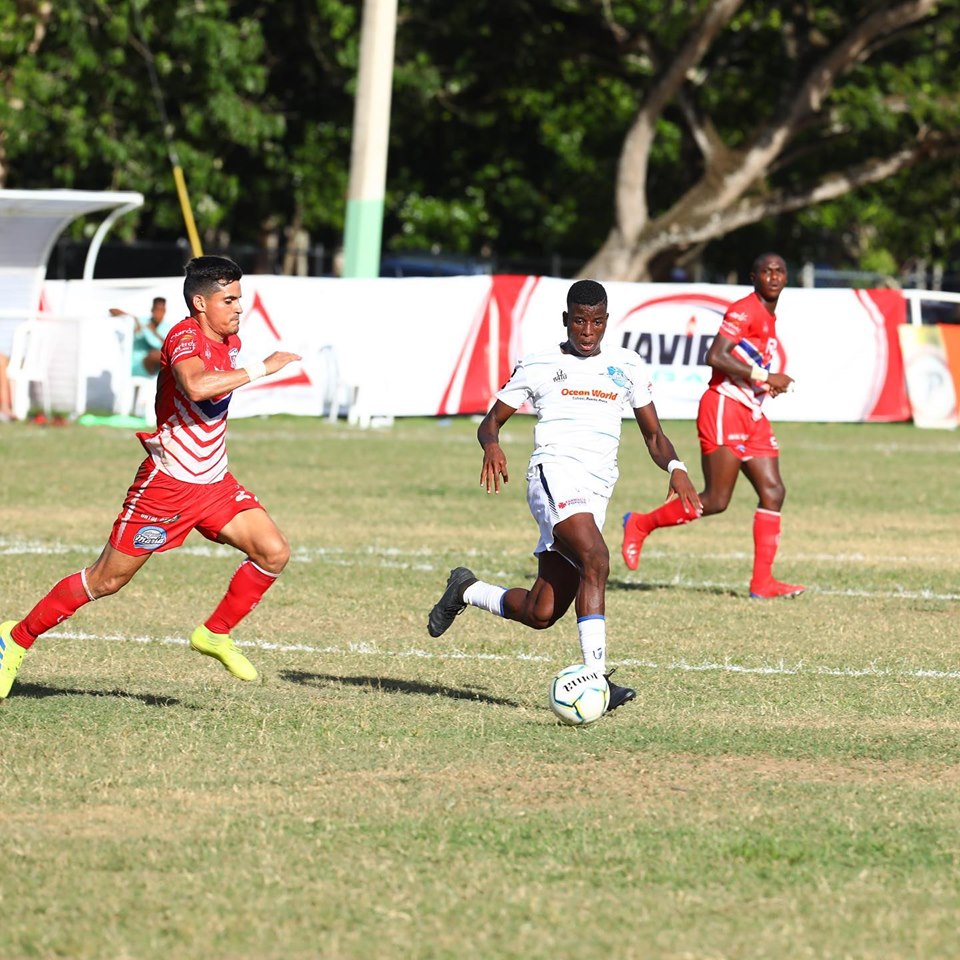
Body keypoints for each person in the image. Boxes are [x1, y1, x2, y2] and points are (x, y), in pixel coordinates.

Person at [0, 256, 302, 699]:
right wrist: (263, 368)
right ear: (201, 303)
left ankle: (215, 633)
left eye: (240, 299)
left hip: (214, 483)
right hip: (166, 488)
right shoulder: (183, 336)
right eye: (229, 300)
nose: (239, 308)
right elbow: (194, 386)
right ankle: (14, 639)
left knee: (273, 552)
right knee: (105, 580)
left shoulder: (230, 340)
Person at [427, 279, 702, 715]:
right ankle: (597, 678)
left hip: (595, 491)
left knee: (541, 612)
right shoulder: (539, 364)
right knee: (597, 558)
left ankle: (466, 589)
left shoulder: (627, 366)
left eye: (596, 322)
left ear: (606, 321)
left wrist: (677, 467)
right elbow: (490, 422)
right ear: (566, 320)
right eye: (578, 321)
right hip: (552, 475)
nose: (587, 331)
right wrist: (492, 446)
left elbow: (654, 436)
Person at [620, 252, 805, 599]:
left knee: (774, 492)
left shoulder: (769, 314)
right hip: (724, 407)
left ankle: (762, 583)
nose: (774, 276)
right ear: (753, 277)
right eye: (766, 271)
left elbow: (743, 361)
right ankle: (640, 524)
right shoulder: (745, 309)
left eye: (780, 270)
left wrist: (764, 385)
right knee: (717, 499)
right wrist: (766, 376)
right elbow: (716, 356)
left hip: (751, 410)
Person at [110, 296, 172, 377]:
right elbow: (112, 310)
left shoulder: (167, 327)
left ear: (165, 311)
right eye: (157, 310)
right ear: (152, 310)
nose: (159, 313)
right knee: (156, 355)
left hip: (155, 366)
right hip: (136, 363)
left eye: (161, 310)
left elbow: (167, 348)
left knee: (164, 355)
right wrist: (132, 318)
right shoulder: (142, 321)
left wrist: (154, 332)